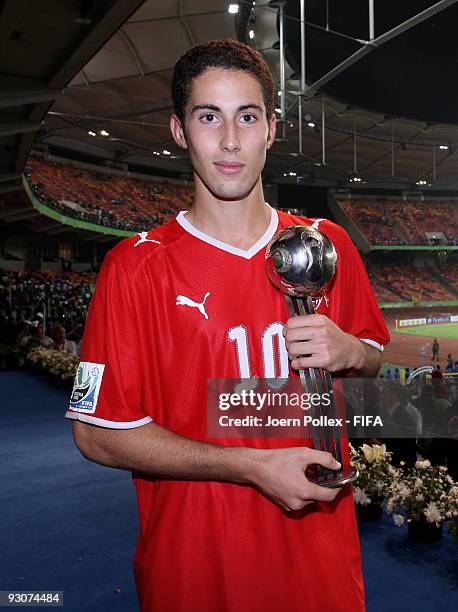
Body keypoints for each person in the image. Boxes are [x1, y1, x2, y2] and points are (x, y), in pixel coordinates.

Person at [66, 40, 389, 612]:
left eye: (248, 116)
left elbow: (372, 365)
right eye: (208, 117)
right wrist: (251, 466)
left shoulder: (326, 246)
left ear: (271, 128)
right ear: (178, 130)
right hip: (194, 570)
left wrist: (351, 353)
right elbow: (96, 433)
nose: (231, 141)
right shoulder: (135, 267)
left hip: (320, 564)